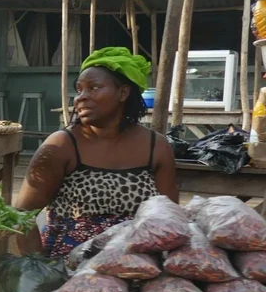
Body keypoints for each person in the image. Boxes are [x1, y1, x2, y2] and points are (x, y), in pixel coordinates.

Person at [15, 47, 178, 257]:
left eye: (93, 87)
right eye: (79, 89)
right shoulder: (62, 146)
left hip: (138, 265)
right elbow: (22, 215)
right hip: (72, 269)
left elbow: (170, 215)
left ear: (123, 93)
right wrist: (39, 270)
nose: (80, 97)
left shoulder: (156, 147)